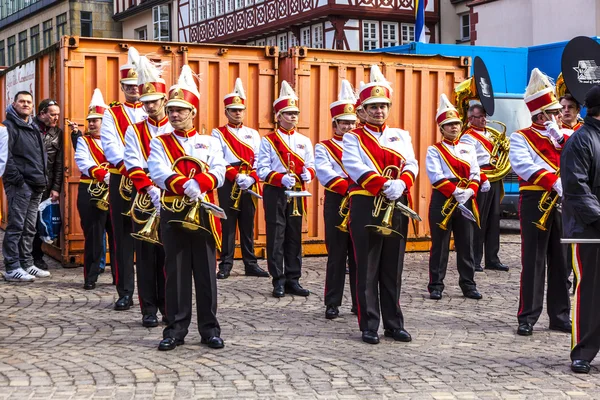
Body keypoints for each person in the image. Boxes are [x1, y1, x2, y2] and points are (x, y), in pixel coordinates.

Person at [148, 65, 227, 351]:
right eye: (171, 110)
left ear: (193, 112)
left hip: (203, 212)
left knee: (206, 273)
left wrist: (203, 182)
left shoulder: (209, 141)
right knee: (176, 272)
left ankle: (210, 330)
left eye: (181, 110)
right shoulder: (160, 143)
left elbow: (220, 169)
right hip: (173, 211)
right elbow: (156, 170)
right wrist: (183, 185)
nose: (174, 114)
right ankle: (175, 329)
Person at [342, 65, 417, 345]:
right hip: (366, 202)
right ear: (362, 110)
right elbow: (353, 165)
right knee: (367, 266)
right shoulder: (353, 137)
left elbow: (411, 162)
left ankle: (394, 323)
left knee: (393, 266)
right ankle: (369, 323)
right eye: (373, 107)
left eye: (383, 106)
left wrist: (403, 183)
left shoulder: (401, 135)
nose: (379, 111)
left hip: (397, 201)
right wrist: (382, 184)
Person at [508, 68, 572, 336]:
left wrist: (561, 138)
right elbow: (522, 165)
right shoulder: (521, 136)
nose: (559, 115)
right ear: (541, 114)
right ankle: (528, 316)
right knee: (533, 260)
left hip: (563, 202)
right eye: (554, 111)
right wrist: (552, 180)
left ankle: (559, 315)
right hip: (536, 199)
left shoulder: (567, 135)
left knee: (562, 261)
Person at [256, 81, 315, 298]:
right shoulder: (268, 141)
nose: (293, 117)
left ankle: (293, 279)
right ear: (278, 116)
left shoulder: (304, 140)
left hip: (298, 193)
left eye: (295, 113)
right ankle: (278, 279)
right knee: (276, 235)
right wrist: (280, 179)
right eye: (288, 113)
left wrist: (309, 172)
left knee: (294, 236)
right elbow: (261, 170)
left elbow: (311, 165)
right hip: (276, 191)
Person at [124, 55, 171, 328]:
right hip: (144, 197)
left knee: (168, 255)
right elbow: (132, 164)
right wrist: (150, 189)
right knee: (144, 256)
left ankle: (168, 306)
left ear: (165, 100)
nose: (150, 106)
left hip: (172, 197)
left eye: (154, 101)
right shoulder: (134, 130)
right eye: (146, 102)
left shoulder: (175, 128)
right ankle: (148, 308)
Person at [101, 47, 146, 311]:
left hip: (149, 180)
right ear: (121, 86)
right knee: (122, 235)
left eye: (137, 85)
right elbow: (110, 144)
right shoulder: (111, 112)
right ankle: (125, 290)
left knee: (151, 237)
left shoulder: (153, 109)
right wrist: (130, 168)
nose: (134, 90)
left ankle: (152, 292)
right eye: (129, 86)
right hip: (122, 179)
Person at [426, 94, 483, 301]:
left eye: (456, 124)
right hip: (443, 199)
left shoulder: (469, 147)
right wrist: (454, 191)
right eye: (448, 125)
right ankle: (436, 285)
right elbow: (435, 176)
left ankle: (468, 285)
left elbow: (475, 172)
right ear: (441, 128)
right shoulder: (434, 150)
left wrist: (470, 191)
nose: (453, 128)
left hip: (466, 199)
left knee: (466, 244)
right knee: (439, 244)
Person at [211, 78, 268, 280]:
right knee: (228, 223)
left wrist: (252, 177)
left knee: (247, 223)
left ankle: (250, 263)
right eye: (233, 110)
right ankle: (225, 263)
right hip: (229, 179)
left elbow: (260, 159)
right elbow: (217, 158)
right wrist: (235, 176)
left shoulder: (253, 133)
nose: (237, 113)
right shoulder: (218, 133)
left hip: (249, 179)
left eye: (240, 110)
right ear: (226, 112)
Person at [561, 85, 600, 374]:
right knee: (590, 290)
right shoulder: (581, 140)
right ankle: (583, 351)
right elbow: (576, 188)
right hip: (590, 228)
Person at [315, 79, 358, 320]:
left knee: (359, 255)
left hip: (360, 201)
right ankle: (332, 302)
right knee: (337, 255)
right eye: (344, 123)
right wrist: (351, 187)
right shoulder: (324, 146)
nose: (349, 127)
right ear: (335, 124)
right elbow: (324, 173)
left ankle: (358, 302)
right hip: (336, 201)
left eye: (352, 122)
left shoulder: (364, 144)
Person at [2, 91, 51, 281]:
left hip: (36, 185)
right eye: (21, 101)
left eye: (29, 102)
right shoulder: (9, 127)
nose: (25, 104)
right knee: (16, 226)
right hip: (21, 185)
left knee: (29, 228)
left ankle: (27, 263)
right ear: (14, 104)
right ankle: (12, 267)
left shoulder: (32, 126)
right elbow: (6, 158)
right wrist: (19, 182)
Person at [74, 89, 115, 290]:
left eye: (96, 120)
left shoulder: (116, 140)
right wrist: (105, 175)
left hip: (114, 193)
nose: (91, 124)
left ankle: (120, 276)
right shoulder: (84, 140)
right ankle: (90, 276)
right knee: (93, 236)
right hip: (91, 191)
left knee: (117, 236)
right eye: (89, 120)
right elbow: (82, 162)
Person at [459, 104, 508, 272]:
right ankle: (475, 259)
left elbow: (498, 155)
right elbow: (469, 162)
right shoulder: (467, 137)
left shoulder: (489, 133)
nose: (484, 119)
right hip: (480, 179)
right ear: (471, 119)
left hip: (495, 178)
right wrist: (483, 177)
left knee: (494, 220)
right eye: (480, 116)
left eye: (484, 116)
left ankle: (492, 258)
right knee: (480, 220)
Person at [31, 99, 64, 270]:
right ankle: (21, 258)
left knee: (40, 223)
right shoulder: (29, 128)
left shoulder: (57, 133)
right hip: (28, 183)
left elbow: (58, 164)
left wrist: (56, 188)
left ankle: (37, 257)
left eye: (57, 114)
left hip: (46, 184)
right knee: (24, 223)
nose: (56, 117)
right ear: (42, 113)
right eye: (52, 114)